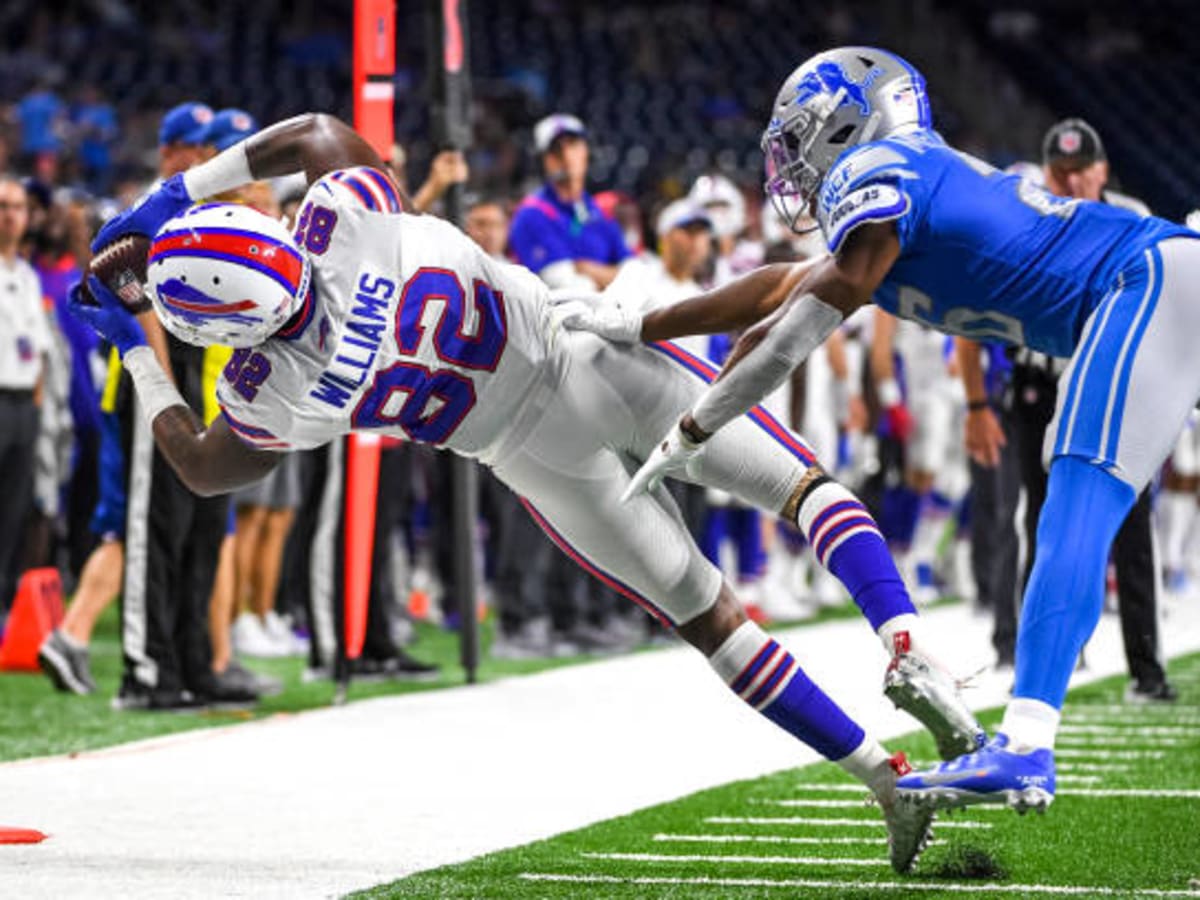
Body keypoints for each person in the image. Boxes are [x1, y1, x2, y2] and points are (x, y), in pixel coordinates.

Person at [72, 112, 988, 872]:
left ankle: (883, 778)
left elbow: (196, 463)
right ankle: (908, 643)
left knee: (710, 617)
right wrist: (177, 196)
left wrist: (134, 344)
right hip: (581, 354)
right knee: (800, 486)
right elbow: (314, 132)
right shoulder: (351, 216)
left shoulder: (274, 389)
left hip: (532, 457)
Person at [581, 46, 1197, 815]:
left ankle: (1028, 747)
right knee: (1078, 494)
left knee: (1074, 487)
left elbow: (787, 338)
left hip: (1142, 279)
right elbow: (775, 292)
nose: (794, 163)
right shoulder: (896, 207)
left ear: (844, 122)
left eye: (800, 136)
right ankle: (1028, 746)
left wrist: (692, 432)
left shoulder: (879, 169)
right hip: (1163, 286)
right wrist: (643, 324)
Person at [960, 124, 1176, 702]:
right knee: (1037, 519)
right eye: (1061, 171)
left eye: (1083, 170)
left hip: (1118, 387)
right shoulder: (1029, 214)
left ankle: (1146, 669)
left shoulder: (1134, 215)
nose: (1073, 180)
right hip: (1040, 383)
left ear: (1103, 170)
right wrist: (977, 402)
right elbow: (973, 309)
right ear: (1045, 170)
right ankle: (1035, 653)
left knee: (1131, 525)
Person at [0, 177, 51, 625]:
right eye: (3, 206)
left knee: (14, 509)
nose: (12, 215)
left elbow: (38, 352)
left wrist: (35, 405)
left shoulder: (29, 276)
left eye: (18, 207)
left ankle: (3, 602)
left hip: (22, 406)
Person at [508, 113, 630, 290]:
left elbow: (635, 275)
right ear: (543, 160)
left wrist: (586, 269)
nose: (566, 156)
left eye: (573, 145)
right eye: (556, 149)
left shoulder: (599, 212)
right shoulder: (530, 214)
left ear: (587, 151)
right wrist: (614, 276)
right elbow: (565, 286)